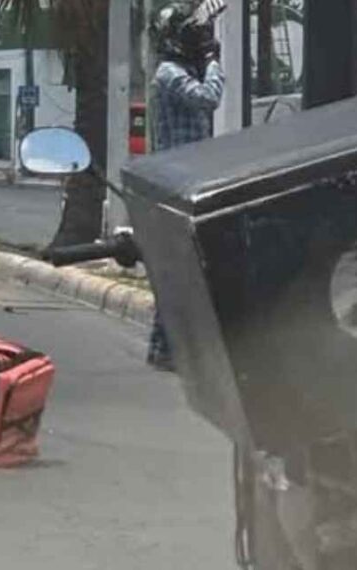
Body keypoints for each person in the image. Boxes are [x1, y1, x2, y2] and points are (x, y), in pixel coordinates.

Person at [147, 1, 225, 371]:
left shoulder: (181, 70)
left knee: (190, 265)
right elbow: (208, 99)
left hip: (190, 179)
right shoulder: (168, 74)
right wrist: (212, 62)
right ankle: (164, 346)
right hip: (176, 182)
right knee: (179, 266)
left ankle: (168, 344)